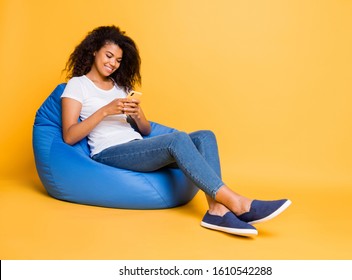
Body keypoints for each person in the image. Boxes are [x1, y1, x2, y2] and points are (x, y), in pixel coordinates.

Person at [61, 25, 291, 237]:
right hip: (109, 152)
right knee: (177, 139)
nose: (113, 63)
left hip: (135, 146)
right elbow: (69, 135)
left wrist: (137, 114)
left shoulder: (121, 87)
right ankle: (238, 203)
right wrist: (105, 111)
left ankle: (217, 210)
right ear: (94, 51)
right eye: (108, 56)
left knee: (205, 136)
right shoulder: (78, 85)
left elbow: (146, 130)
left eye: (118, 60)